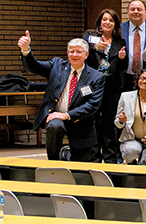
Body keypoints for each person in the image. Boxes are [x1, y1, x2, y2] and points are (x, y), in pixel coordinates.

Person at [18, 33, 105, 162]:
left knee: (82, 164)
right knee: (54, 126)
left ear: (86, 55)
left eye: (79, 52)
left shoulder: (96, 77)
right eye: (71, 51)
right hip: (56, 117)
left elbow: (93, 105)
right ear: (67, 53)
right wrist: (26, 50)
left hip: (81, 121)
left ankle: (66, 154)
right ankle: (53, 163)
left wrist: (67, 115)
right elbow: (35, 67)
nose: (75, 55)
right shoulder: (57, 65)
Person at [81, 9, 125, 164]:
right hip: (92, 87)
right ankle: (93, 156)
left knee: (109, 123)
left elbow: (122, 67)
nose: (107, 22)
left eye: (111, 20)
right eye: (104, 19)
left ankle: (110, 157)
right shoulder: (90, 37)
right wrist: (96, 49)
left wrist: (121, 58)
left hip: (111, 88)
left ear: (115, 25)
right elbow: (83, 56)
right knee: (92, 121)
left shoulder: (120, 42)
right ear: (100, 22)